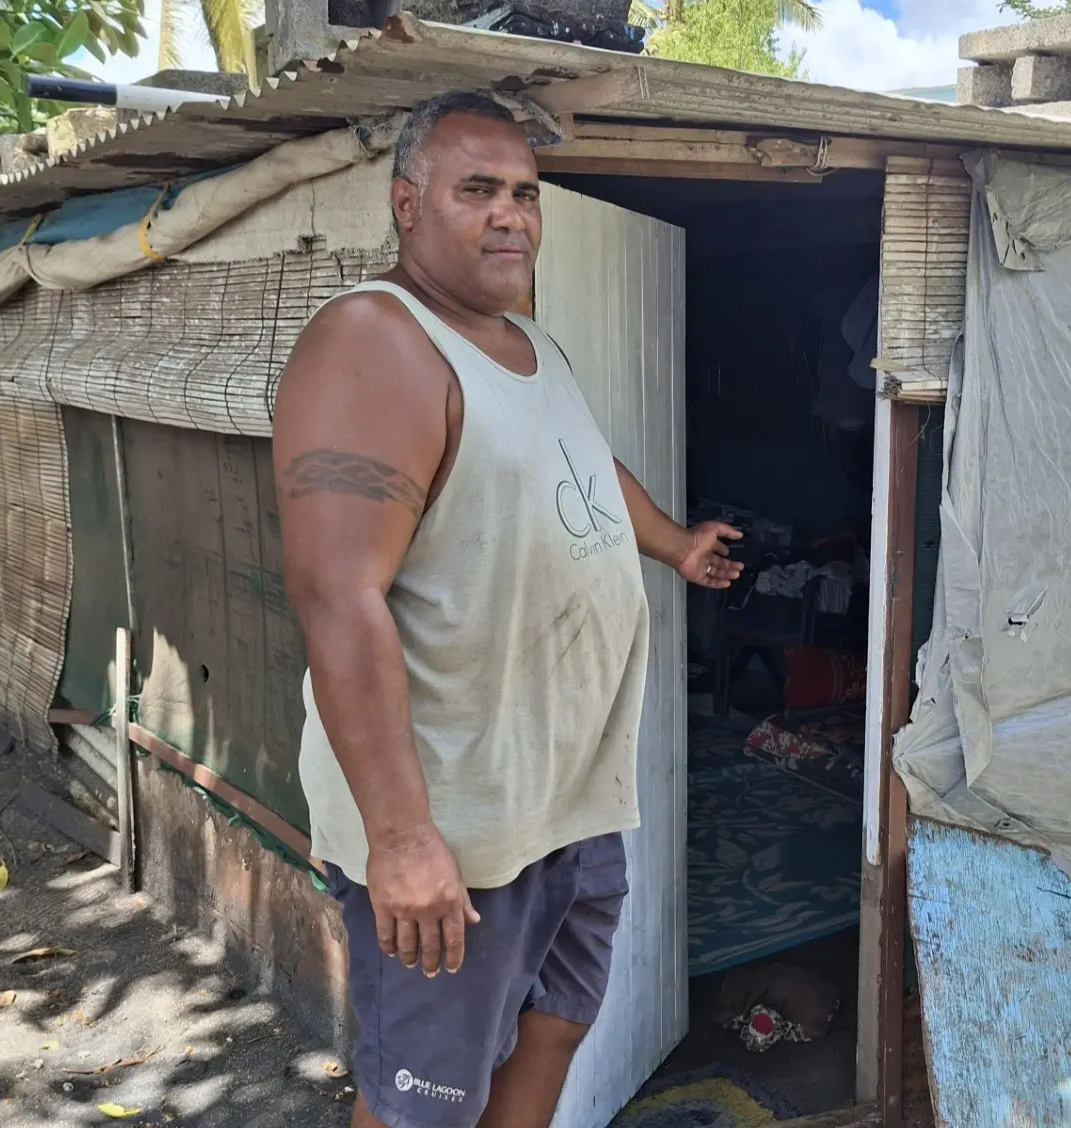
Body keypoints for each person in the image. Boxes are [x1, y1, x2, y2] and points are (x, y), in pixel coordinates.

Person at [272, 91, 744, 1128]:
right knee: (422, 1102)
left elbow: (581, 466)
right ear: (407, 205)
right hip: (457, 828)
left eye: (525, 194)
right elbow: (335, 592)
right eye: (476, 190)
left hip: (564, 803)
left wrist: (671, 543)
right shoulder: (376, 342)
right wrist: (401, 839)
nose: (511, 215)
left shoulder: (529, 346)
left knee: (555, 1028)